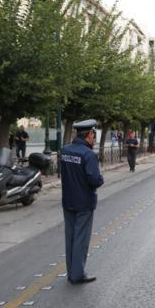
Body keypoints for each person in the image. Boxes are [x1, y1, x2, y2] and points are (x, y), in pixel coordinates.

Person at [60, 119, 104, 284]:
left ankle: (71, 272)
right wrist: (101, 179)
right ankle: (77, 274)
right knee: (81, 239)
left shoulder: (65, 151)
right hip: (84, 202)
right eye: (94, 134)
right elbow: (95, 180)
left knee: (70, 237)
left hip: (68, 200)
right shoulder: (88, 154)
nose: (94, 138)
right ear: (89, 135)